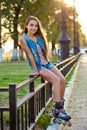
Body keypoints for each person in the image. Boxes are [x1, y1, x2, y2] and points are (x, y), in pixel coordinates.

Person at [19, 16, 71, 121]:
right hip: (39, 66)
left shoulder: (39, 37)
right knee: (56, 80)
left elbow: (44, 52)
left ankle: (58, 108)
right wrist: (35, 70)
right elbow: (30, 55)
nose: (34, 28)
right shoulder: (23, 39)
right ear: (26, 26)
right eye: (31, 25)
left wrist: (47, 62)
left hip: (47, 63)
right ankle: (59, 110)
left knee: (62, 80)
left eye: (36, 25)